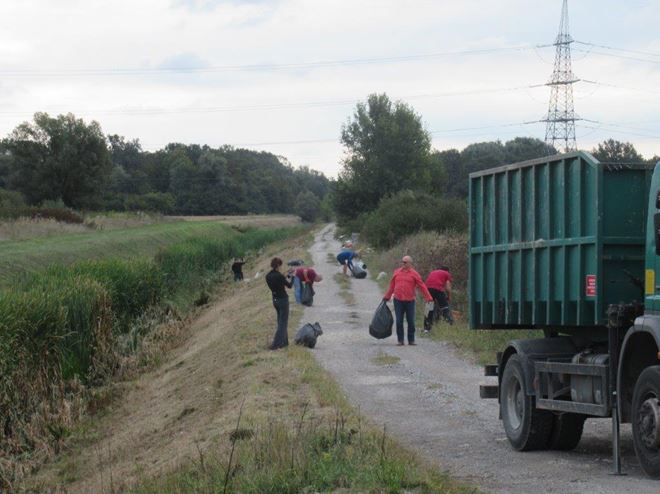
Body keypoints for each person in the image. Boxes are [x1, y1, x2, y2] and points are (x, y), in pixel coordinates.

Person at [383, 255, 434, 346]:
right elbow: (392, 286)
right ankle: (400, 340)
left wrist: (428, 297)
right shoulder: (397, 272)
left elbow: (422, 286)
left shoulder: (414, 274)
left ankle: (411, 340)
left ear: (410, 263)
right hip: (398, 300)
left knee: (411, 321)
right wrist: (387, 296)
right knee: (399, 321)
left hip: (410, 301)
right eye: (402, 261)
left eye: (405, 262)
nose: (403, 263)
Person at [265, 257, 293, 350]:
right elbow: (289, 286)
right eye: (280, 265)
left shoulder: (268, 276)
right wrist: (293, 277)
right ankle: (276, 345)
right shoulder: (279, 276)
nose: (281, 267)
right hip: (283, 300)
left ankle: (284, 343)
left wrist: (284, 276)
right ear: (277, 265)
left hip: (275, 300)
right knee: (283, 323)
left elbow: (278, 281)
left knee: (280, 321)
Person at [424, 265, 454, 331]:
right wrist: (449, 296)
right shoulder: (446, 273)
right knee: (444, 307)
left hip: (428, 289)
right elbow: (447, 287)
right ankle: (450, 324)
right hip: (438, 289)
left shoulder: (433, 272)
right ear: (447, 271)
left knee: (429, 308)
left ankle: (427, 328)